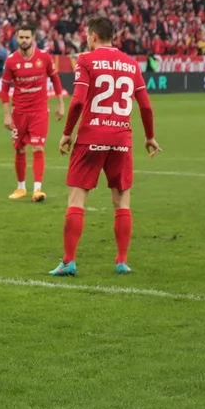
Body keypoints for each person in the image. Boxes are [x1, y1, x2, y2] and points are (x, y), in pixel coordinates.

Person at [50, 16, 161, 277]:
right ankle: (122, 261)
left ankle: (69, 261)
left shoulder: (86, 61)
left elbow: (77, 102)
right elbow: (145, 105)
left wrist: (67, 133)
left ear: (92, 36)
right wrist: (149, 137)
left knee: (77, 199)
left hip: (90, 137)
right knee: (121, 200)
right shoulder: (131, 64)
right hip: (122, 139)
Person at [0, 24, 65, 202]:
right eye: (21, 37)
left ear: (33, 39)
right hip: (19, 112)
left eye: (27, 37)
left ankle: (38, 189)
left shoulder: (44, 57)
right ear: (17, 39)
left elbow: (55, 79)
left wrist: (60, 103)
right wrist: (6, 115)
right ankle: (21, 188)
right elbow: (4, 89)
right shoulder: (11, 61)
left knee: (38, 147)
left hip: (39, 111)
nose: (24, 41)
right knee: (20, 149)